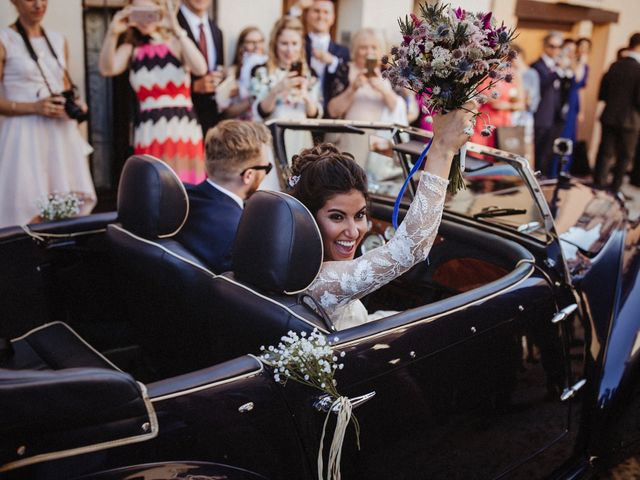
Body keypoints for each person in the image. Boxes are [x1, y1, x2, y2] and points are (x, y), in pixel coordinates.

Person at [289, 102, 477, 330]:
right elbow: (410, 248)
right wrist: (443, 148)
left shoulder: (288, 261)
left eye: (359, 215)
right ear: (308, 217)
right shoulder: (321, 282)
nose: (353, 231)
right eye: (337, 217)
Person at [0, 0, 96, 228]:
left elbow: (63, 86)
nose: (38, 4)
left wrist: (75, 105)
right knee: (26, 208)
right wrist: (35, 107)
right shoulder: (5, 39)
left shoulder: (58, 40)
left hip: (60, 134)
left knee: (66, 207)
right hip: (23, 137)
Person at [99, 0, 208, 184]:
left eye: (149, 10)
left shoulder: (176, 42)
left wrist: (176, 29)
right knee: (154, 186)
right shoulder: (131, 48)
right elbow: (107, 69)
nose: (144, 18)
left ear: (160, 10)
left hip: (181, 127)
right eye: (138, 11)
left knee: (187, 186)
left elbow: (200, 68)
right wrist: (112, 32)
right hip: (149, 128)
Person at [177, 120, 272, 272]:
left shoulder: (176, 198)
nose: (266, 173)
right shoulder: (240, 234)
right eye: (267, 167)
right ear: (248, 175)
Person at [326, 28, 407, 178]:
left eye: (374, 47)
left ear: (381, 51)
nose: (368, 51)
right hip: (351, 139)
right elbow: (332, 110)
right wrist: (352, 89)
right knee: (348, 180)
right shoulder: (345, 70)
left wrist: (384, 91)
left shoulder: (389, 74)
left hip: (381, 141)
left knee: (376, 185)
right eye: (363, 47)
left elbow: (401, 109)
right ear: (355, 50)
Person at [250, 16, 322, 156]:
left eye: (294, 43)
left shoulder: (311, 74)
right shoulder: (261, 71)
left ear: (301, 45)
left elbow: (315, 115)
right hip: (271, 137)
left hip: (300, 139)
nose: (289, 50)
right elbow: (259, 111)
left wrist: (305, 95)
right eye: (284, 43)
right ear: (275, 43)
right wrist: (277, 89)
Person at [593, 33, 640, 192]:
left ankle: (598, 186)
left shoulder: (615, 65)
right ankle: (615, 189)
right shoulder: (639, 69)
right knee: (625, 156)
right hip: (630, 120)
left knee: (605, 153)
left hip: (609, 116)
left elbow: (603, 93)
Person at [177, 0, 224, 136]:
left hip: (209, 121)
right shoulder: (172, 26)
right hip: (178, 119)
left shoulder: (216, 31)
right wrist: (194, 86)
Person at [303, 0, 350, 115]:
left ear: (333, 17)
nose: (321, 16)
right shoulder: (298, 45)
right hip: (302, 109)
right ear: (307, 15)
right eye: (316, 11)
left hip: (331, 114)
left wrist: (333, 61)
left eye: (326, 12)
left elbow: (347, 79)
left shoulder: (343, 51)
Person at [551, 39, 589, 174]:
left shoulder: (582, 66)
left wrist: (581, 110)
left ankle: (563, 170)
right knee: (559, 135)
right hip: (562, 101)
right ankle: (553, 170)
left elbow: (581, 89)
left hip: (574, 102)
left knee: (569, 138)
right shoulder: (563, 64)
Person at [531, 32, 566, 177]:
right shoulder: (537, 66)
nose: (555, 50)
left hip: (555, 116)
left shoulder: (558, 67)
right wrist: (557, 70)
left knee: (548, 153)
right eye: (552, 46)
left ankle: (544, 181)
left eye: (559, 47)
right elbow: (542, 85)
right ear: (545, 46)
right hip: (541, 116)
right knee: (539, 153)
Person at [218, 26, 266, 120]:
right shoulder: (233, 73)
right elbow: (226, 112)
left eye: (260, 41)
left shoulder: (270, 69)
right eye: (251, 42)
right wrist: (251, 99)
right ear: (241, 45)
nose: (257, 46)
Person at [510, 44, 540, 164]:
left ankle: (528, 174)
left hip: (524, 115)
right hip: (511, 114)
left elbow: (533, 100)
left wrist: (521, 100)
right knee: (510, 144)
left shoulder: (531, 73)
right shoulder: (509, 73)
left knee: (526, 145)